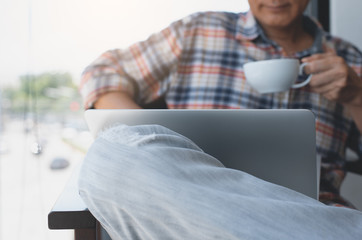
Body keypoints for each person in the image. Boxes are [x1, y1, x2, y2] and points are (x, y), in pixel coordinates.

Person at [78, 0, 362, 238]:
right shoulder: (198, 31)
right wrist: (147, 137)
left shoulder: (348, 58)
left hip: (311, 211)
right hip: (194, 204)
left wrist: (357, 96)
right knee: (111, 157)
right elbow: (101, 73)